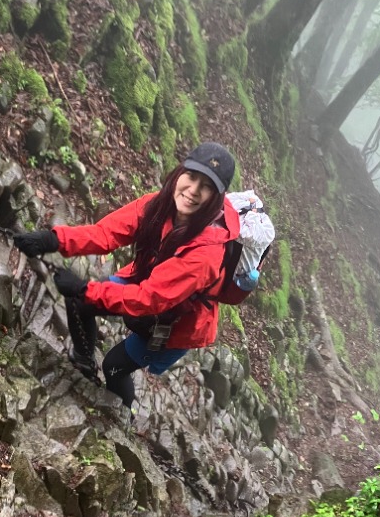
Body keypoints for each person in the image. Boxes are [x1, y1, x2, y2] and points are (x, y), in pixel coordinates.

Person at [13, 142, 240, 410]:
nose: (193, 190)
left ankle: (121, 416)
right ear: (180, 172)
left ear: (216, 197)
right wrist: (53, 239)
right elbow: (106, 233)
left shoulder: (206, 254)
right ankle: (83, 360)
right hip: (145, 283)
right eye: (191, 176)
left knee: (114, 367)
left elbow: (148, 299)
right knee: (78, 302)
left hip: (175, 325)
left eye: (206, 186)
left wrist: (86, 289)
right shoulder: (158, 205)